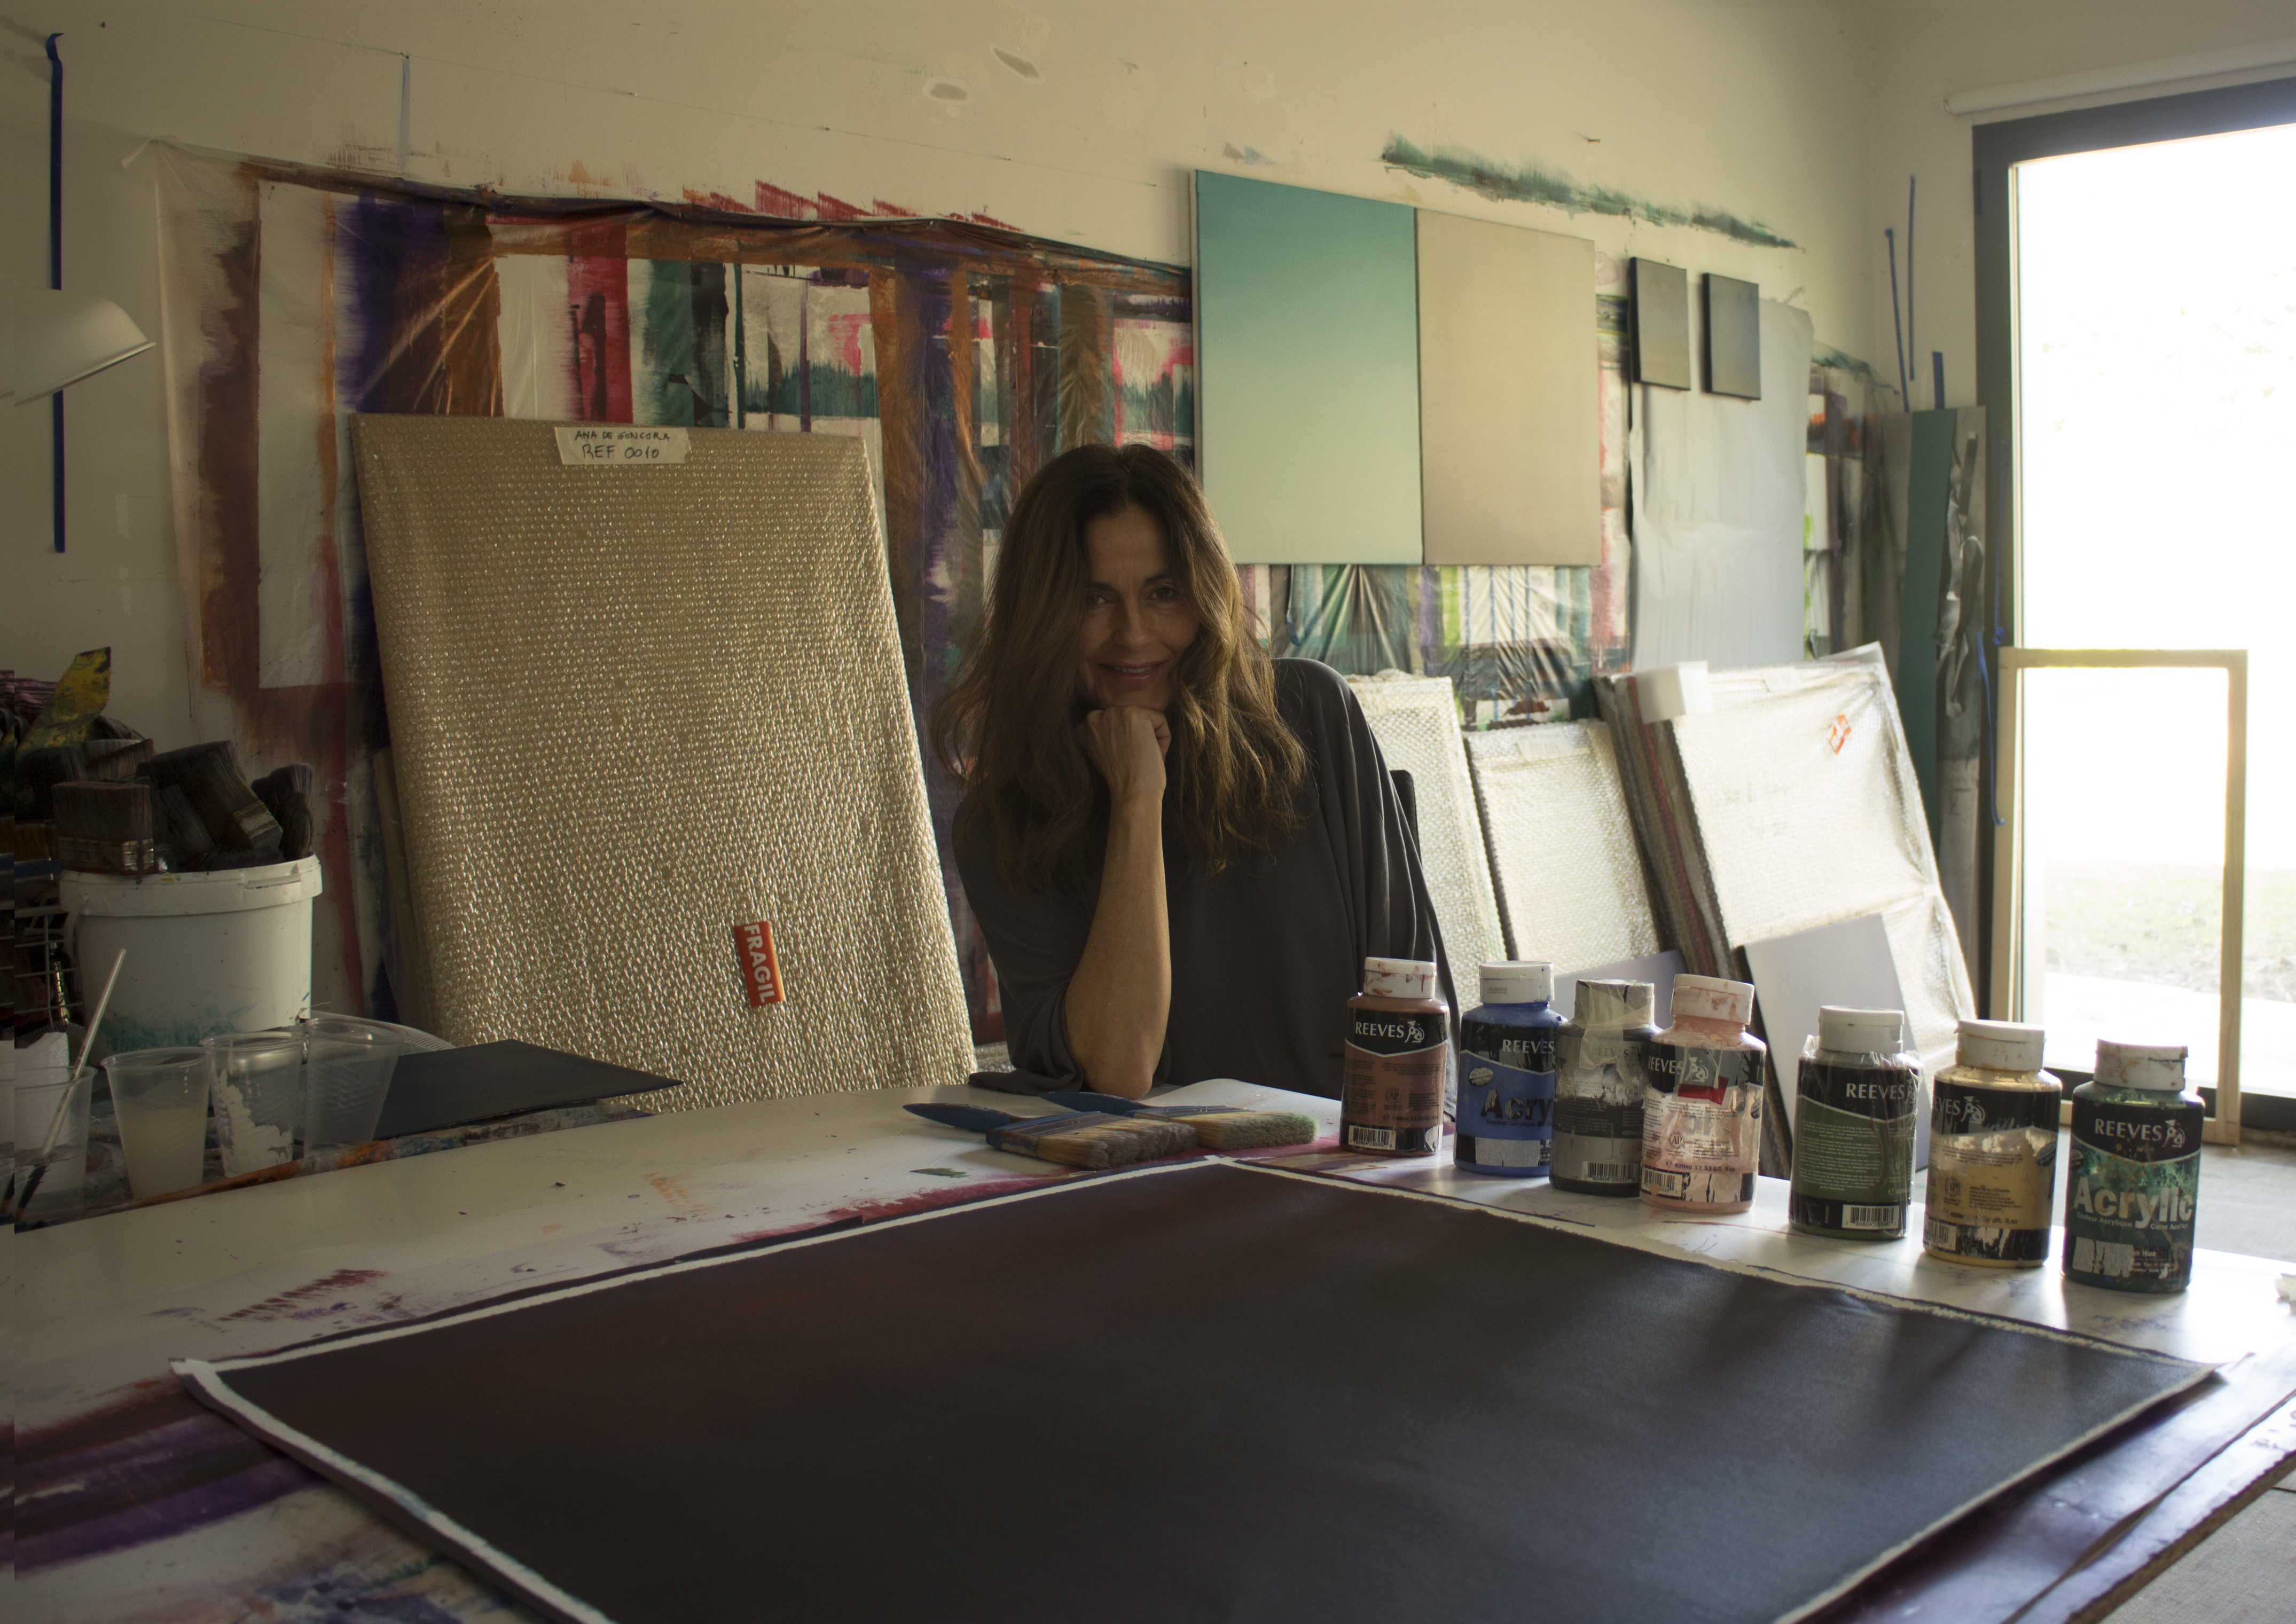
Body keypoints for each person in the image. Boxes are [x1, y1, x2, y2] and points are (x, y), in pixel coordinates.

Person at [936, 443, 1451, 1101]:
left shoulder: (1310, 717)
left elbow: (1413, 1011)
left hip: (1345, 1173)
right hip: (1146, 1192)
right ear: (1041, 616)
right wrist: (1137, 798)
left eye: (1164, 593)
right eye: (1093, 598)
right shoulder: (1004, 826)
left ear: (1205, 596)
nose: (1133, 633)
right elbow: (1118, 1069)